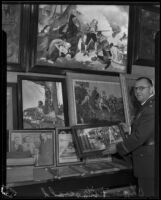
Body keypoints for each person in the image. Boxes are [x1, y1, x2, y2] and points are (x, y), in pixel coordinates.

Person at [103, 77, 155, 197]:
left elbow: (139, 137)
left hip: (149, 164)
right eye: (136, 88)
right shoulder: (147, 106)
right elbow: (148, 131)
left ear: (151, 89)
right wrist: (130, 129)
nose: (138, 91)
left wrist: (117, 148)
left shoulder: (151, 108)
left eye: (142, 88)